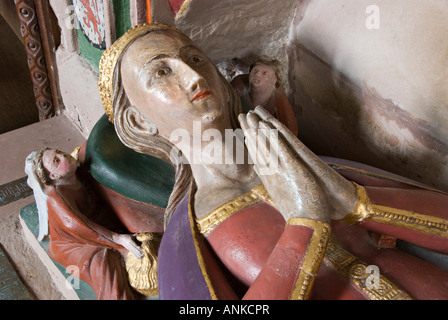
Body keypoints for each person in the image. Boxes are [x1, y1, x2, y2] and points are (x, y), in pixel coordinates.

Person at [98, 22, 448, 300]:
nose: (194, 77)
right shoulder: (186, 244)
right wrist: (304, 222)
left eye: (194, 58)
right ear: (138, 121)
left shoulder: (296, 163)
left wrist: (354, 202)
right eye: (161, 73)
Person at [25, 148, 146, 299]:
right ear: (54, 176)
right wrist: (119, 239)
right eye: (57, 161)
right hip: (76, 243)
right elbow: (84, 228)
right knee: (104, 263)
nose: (63, 155)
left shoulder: (78, 170)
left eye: (59, 151)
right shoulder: (58, 200)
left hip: (97, 223)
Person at [231, 56, 299, 136]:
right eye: (255, 70)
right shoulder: (239, 84)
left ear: (274, 80)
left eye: (265, 73)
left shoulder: (278, 98)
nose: (257, 74)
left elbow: (291, 131)